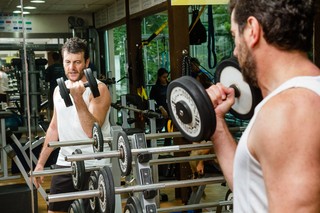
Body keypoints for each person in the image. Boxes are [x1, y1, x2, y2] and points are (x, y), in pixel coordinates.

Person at [206, 0, 320, 212]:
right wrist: (217, 125)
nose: (234, 52)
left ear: (251, 30)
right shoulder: (295, 100)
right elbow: (251, 190)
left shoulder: (290, 110)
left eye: (234, 36)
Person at [33, 37, 112, 213]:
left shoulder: (99, 89)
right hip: (66, 161)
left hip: (94, 163)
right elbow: (54, 128)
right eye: (68, 62)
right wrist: (40, 164)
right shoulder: (58, 90)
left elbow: (92, 133)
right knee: (54, 210)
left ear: (87, 62)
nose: (72, 67)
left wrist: (78, 98)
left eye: (77, 62)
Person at [149, 68, 171, 146]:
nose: (166, 79)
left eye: (167, 77)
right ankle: (150, 144)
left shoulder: (170, 85)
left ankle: (167, 146)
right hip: (160, 110)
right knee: (157, 128)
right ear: (159, 77)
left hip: (169, 109)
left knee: (169, 129)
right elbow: (152, 100)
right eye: (164, 77)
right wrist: (160, 108)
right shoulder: (155, 88)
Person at [45, 52, 66, 117]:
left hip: (53, 90)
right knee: (65, 105)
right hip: (64, 89)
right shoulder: (64, 67)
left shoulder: (50, 68)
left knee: (53, 107)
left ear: (52, 58)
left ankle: (53, 121)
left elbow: (46, 79)